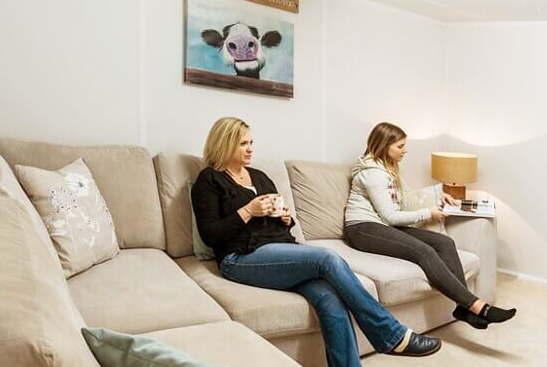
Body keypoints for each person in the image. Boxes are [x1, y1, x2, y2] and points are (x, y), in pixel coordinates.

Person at [191, 117, 440, 367]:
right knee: (326, 257)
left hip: (282, 250)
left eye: (251, 142)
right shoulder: (209, 180)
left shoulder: (259, 176)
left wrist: (285, 219)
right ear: (224, 144)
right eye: (242, 143)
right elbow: (210, 234)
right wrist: (247, 211)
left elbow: (281, 224)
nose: (250, 148)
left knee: (329, 297)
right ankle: (390, 334)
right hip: (241, 258)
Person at [344, 122, 516, 329]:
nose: (404, 151)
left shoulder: (388, 167)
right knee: (424, 251)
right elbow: (390, 216)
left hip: (380, 225)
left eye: (404, 145)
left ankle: (463, 309)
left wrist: (436, 194)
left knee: (444, 242)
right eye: (400, 146)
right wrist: (428, 213)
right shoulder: (373, 173)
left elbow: (405, 199)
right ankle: (477, 306)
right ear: (383, 145)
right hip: (362, 228)